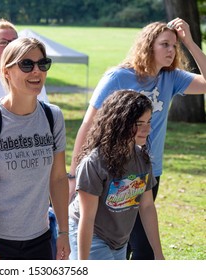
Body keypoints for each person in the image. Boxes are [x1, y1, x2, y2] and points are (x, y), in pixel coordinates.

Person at [68, 18, 206, 260]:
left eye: (175, 46)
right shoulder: (118, 77)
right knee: (129, 243)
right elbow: (88, 124)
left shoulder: (171, 77)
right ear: (148, 46)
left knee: (133, 243)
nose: (172, 51)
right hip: (113, 171)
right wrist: (74, 174)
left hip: (148, 170)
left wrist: (191, 42)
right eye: (165, 44)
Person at [0, 37, 70, 260]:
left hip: (40, 239)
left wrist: (63, 232)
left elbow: (59, 179)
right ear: (6, 71)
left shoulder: (53, 117)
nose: (36, 71)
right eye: (26, 64)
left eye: (43, 64)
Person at [69, 89, 165, 260]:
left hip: (119, 241)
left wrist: (158, 254)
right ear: (120, 123)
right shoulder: (95, 163)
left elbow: (147, 207)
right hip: (91, 235)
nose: (147, 129)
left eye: (149, 122)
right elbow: (87, 217)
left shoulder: (142, 159)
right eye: (139, 123)